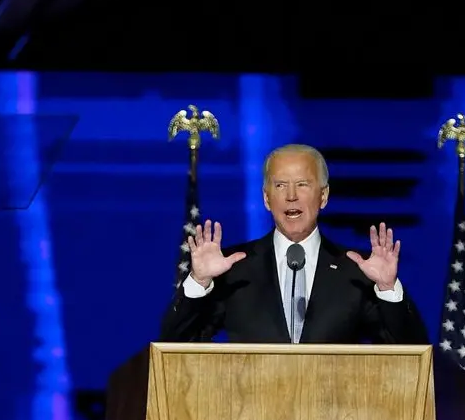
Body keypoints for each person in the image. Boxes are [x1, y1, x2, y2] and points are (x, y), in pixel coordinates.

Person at [160, 144, 429, 344]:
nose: (291, 196)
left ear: (323, 196)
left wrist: (387, 289)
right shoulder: (233, 268)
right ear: (267, 199)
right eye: (280, 186)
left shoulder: (356, 270)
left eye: (302, 184)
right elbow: (174, 345)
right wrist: (199, 283)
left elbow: (411, 352)